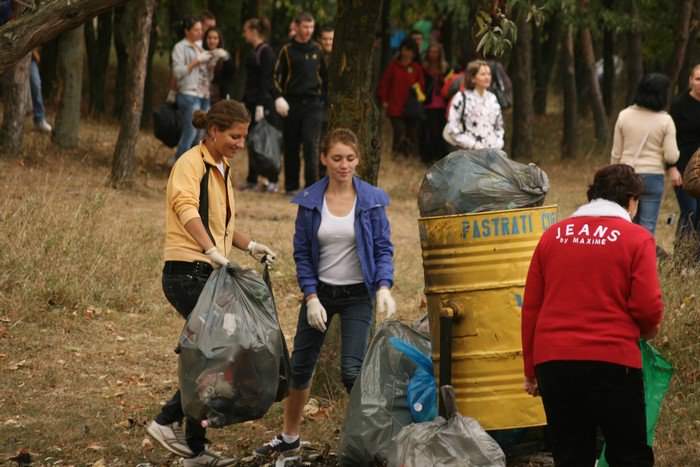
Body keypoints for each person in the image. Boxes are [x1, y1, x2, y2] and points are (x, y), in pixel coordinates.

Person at [146, 100, 277, 467]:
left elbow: (221, 225)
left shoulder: (222, 167)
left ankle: (194, 449)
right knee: (220, 349)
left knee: (213, 354)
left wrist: (250, 246)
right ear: (214, 131)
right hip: (186, 271)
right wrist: (209, 249)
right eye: (234, 136)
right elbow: (186, 209)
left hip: (210, 271)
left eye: (243, 137)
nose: (240, 143)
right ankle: (166, 419)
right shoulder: (191, 164)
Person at [254, 128, 397, 456]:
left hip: (357, 296)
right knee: (300, 366)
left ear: (358, 159)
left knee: (351, 371)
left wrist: (384, 287)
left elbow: (382, 247)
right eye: (336, 158)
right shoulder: (310, 201)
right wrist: (311, 296)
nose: (344, 165)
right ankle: (290, 436)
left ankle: (375, 438)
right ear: (323, 159)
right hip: (321, 294)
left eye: (350, 158)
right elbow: (302, 253)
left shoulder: (372, 200)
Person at [522, 164, 662, 467]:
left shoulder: (552, 235)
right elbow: (647, 306)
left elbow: (531, 306)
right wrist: (647, 330)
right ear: (631, 199)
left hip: (554, 363)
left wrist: (530, 368)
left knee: (571, 455)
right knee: (630, 455)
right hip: (613, 363)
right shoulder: (637, 238)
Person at [611, 73, 680, 237]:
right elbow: (671, 156)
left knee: (626, 225)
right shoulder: (665, 120)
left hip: (627, 176)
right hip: (653, 177)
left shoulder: (624, 115)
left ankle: (626, 261)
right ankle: (645, 261)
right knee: (647, 228)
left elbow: (616, 154)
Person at [273, 11, 327, 195]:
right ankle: (291, 186)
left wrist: (325, 99)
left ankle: (311, 188)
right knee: (291, 144)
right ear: (296, 27)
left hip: (313, 103)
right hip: (292, 103)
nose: (309, 31)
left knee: (311, 143)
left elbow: (325, 78)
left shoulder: (317, 49)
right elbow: (273, 76)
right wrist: (278, 96)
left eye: (311, 27)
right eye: (305, 27)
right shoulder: (286, 49)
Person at [241, 17, 281, 193]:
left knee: (266, 141)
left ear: (254, 32)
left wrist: (260, 106)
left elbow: (265, 79)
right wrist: (244, 100)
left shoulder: (266, 52)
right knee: (252, 141)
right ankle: (252, 178)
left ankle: (272, 179)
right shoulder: (253, 51)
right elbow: (250, 80)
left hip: (263, 103)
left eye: (246, 31)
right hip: (250, 102)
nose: (244, 35)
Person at [172, 17, 213, 162]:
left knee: (201, 134)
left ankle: (192, 166)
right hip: (189, 94)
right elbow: (178, 72)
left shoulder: (202, 46)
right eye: (196, 30)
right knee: (190, 131)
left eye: (201, 30)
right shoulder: (180, 47)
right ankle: (178, 164)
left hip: (204, 95)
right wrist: (196, 61)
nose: (200, 32)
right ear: (187, 31)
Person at [378, 38, 425, 157]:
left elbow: (422, 87)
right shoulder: (393, 66)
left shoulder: (416, 68)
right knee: (399, 132)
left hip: (411, 108)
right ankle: (396, 156)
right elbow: (384, 83)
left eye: (410, 50)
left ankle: (409, 158)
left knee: (411, 134)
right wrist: (383, 99)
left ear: (414, 53)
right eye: (405, 49)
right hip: (395, 106)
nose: (407, 53)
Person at [669, 64, 700, 241]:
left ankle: (696, 259)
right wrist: (672, 167)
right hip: (683, 167)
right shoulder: (680, 105)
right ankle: (682, 259)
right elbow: (669, 138)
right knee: (690, 212)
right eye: (698, 78)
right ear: (690, 81)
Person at [444, 60, 504, 151]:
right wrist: (473, 145)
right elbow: (452, 128)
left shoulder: (492, 98)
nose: (487, 77)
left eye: (489, 74)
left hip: (492, 155)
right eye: (483, 74)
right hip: (470, 154)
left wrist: (498, 143)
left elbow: (499, 126)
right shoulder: (460, 97)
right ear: (473, 78)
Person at [166, 11, 217, 104]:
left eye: (214, 26)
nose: (212, 29)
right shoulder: (186, 44)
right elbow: (177, 71)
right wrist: (172, 91)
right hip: (191, 93)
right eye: (209, 26)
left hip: (205, 94)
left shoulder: (209, 45)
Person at [421, 42, 448, 162]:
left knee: (441, 132)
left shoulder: (445, 68)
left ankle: (439, 157)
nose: (433, 54)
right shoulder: (423, 67)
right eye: (431, 52)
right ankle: (428, 156)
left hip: (442, 104)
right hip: (428, 104)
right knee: (432, 131)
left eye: (435, 52)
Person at [317, 24, 334, 177]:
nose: (328, 42)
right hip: (318, 104)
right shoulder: (315, 56)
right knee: (321, 141)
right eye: (325, 39)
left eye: (331, 39)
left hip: (334, 105)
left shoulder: (339, 59)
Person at [202, 27, 234, 105]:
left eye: (215, 38)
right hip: (201, 96)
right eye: (209, 38)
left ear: (219, 40)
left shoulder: (224, 56)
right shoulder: (200, 54)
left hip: (219, 98)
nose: (212, 41)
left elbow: (231, 74)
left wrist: (226, 57)